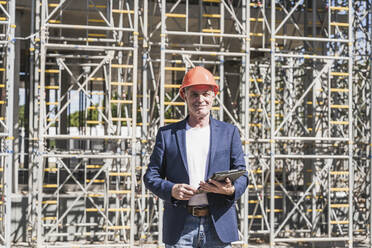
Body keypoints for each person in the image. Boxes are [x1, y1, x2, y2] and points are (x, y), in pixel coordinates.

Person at [143, 66, 248, 247]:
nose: (201, 100)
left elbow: (242, 174)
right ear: (184, 96)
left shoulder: (229, 133)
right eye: (194, 94)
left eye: (206, 94)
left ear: (213, 96)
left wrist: (230, 190)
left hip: (218, 225)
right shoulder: (167, 134)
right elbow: (150, 177)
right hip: (181, 227)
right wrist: (172, 190)